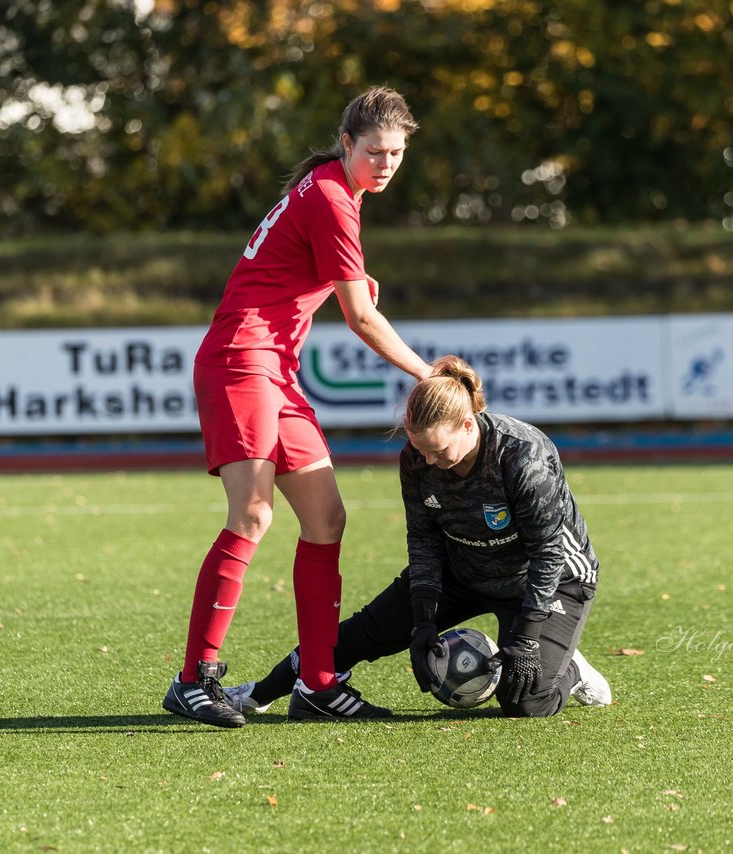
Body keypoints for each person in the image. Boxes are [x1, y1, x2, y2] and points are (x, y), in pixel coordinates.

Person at [162, 87, 433, 728]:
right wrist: (429, 373)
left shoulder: (328, 184)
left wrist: (350, 281)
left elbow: (305, 266)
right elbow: (361, 320)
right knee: (252, 515)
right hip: (240, 360)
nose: (387, 163)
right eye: (376, 151)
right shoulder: (335, 198)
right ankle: (192, 679)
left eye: (397, 153)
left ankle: (316, 683)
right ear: (347, 145)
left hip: (275, 371)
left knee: (327, 520)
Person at [224, 356, 612, 719]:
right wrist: (423, 622)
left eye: (437, 450)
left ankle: (571, 668)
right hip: (460, 569)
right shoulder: (415, 458)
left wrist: (527, 637)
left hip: (548, 579)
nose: (427, 461)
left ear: (467, 423)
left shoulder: (522, 455)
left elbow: (548, 552)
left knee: (525, 701)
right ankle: (258, 695)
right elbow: (424, 541)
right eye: (419, 448)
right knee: (359, 636)